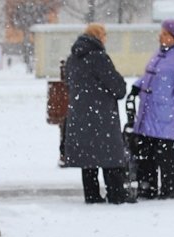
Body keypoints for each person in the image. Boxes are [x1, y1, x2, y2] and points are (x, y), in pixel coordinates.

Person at [131, 19, 174, 200]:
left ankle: (167, 190)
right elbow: (150, 76)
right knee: (147, 151)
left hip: (165, 111)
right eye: (161, 33)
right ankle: (149, 188)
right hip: (149, 110)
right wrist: (138, 86)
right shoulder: (160, 53)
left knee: (164, 151)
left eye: (164, 34)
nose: (160, 36)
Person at [62, 23, 132, 204]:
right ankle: (116, 195)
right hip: (102, 117)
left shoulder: (73, 58)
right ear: (100, 36)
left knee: (89, 159)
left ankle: (92, 195)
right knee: (111, 155)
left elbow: (68, 82)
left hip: (80, 115)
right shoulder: (99, 58)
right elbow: (118, 88)